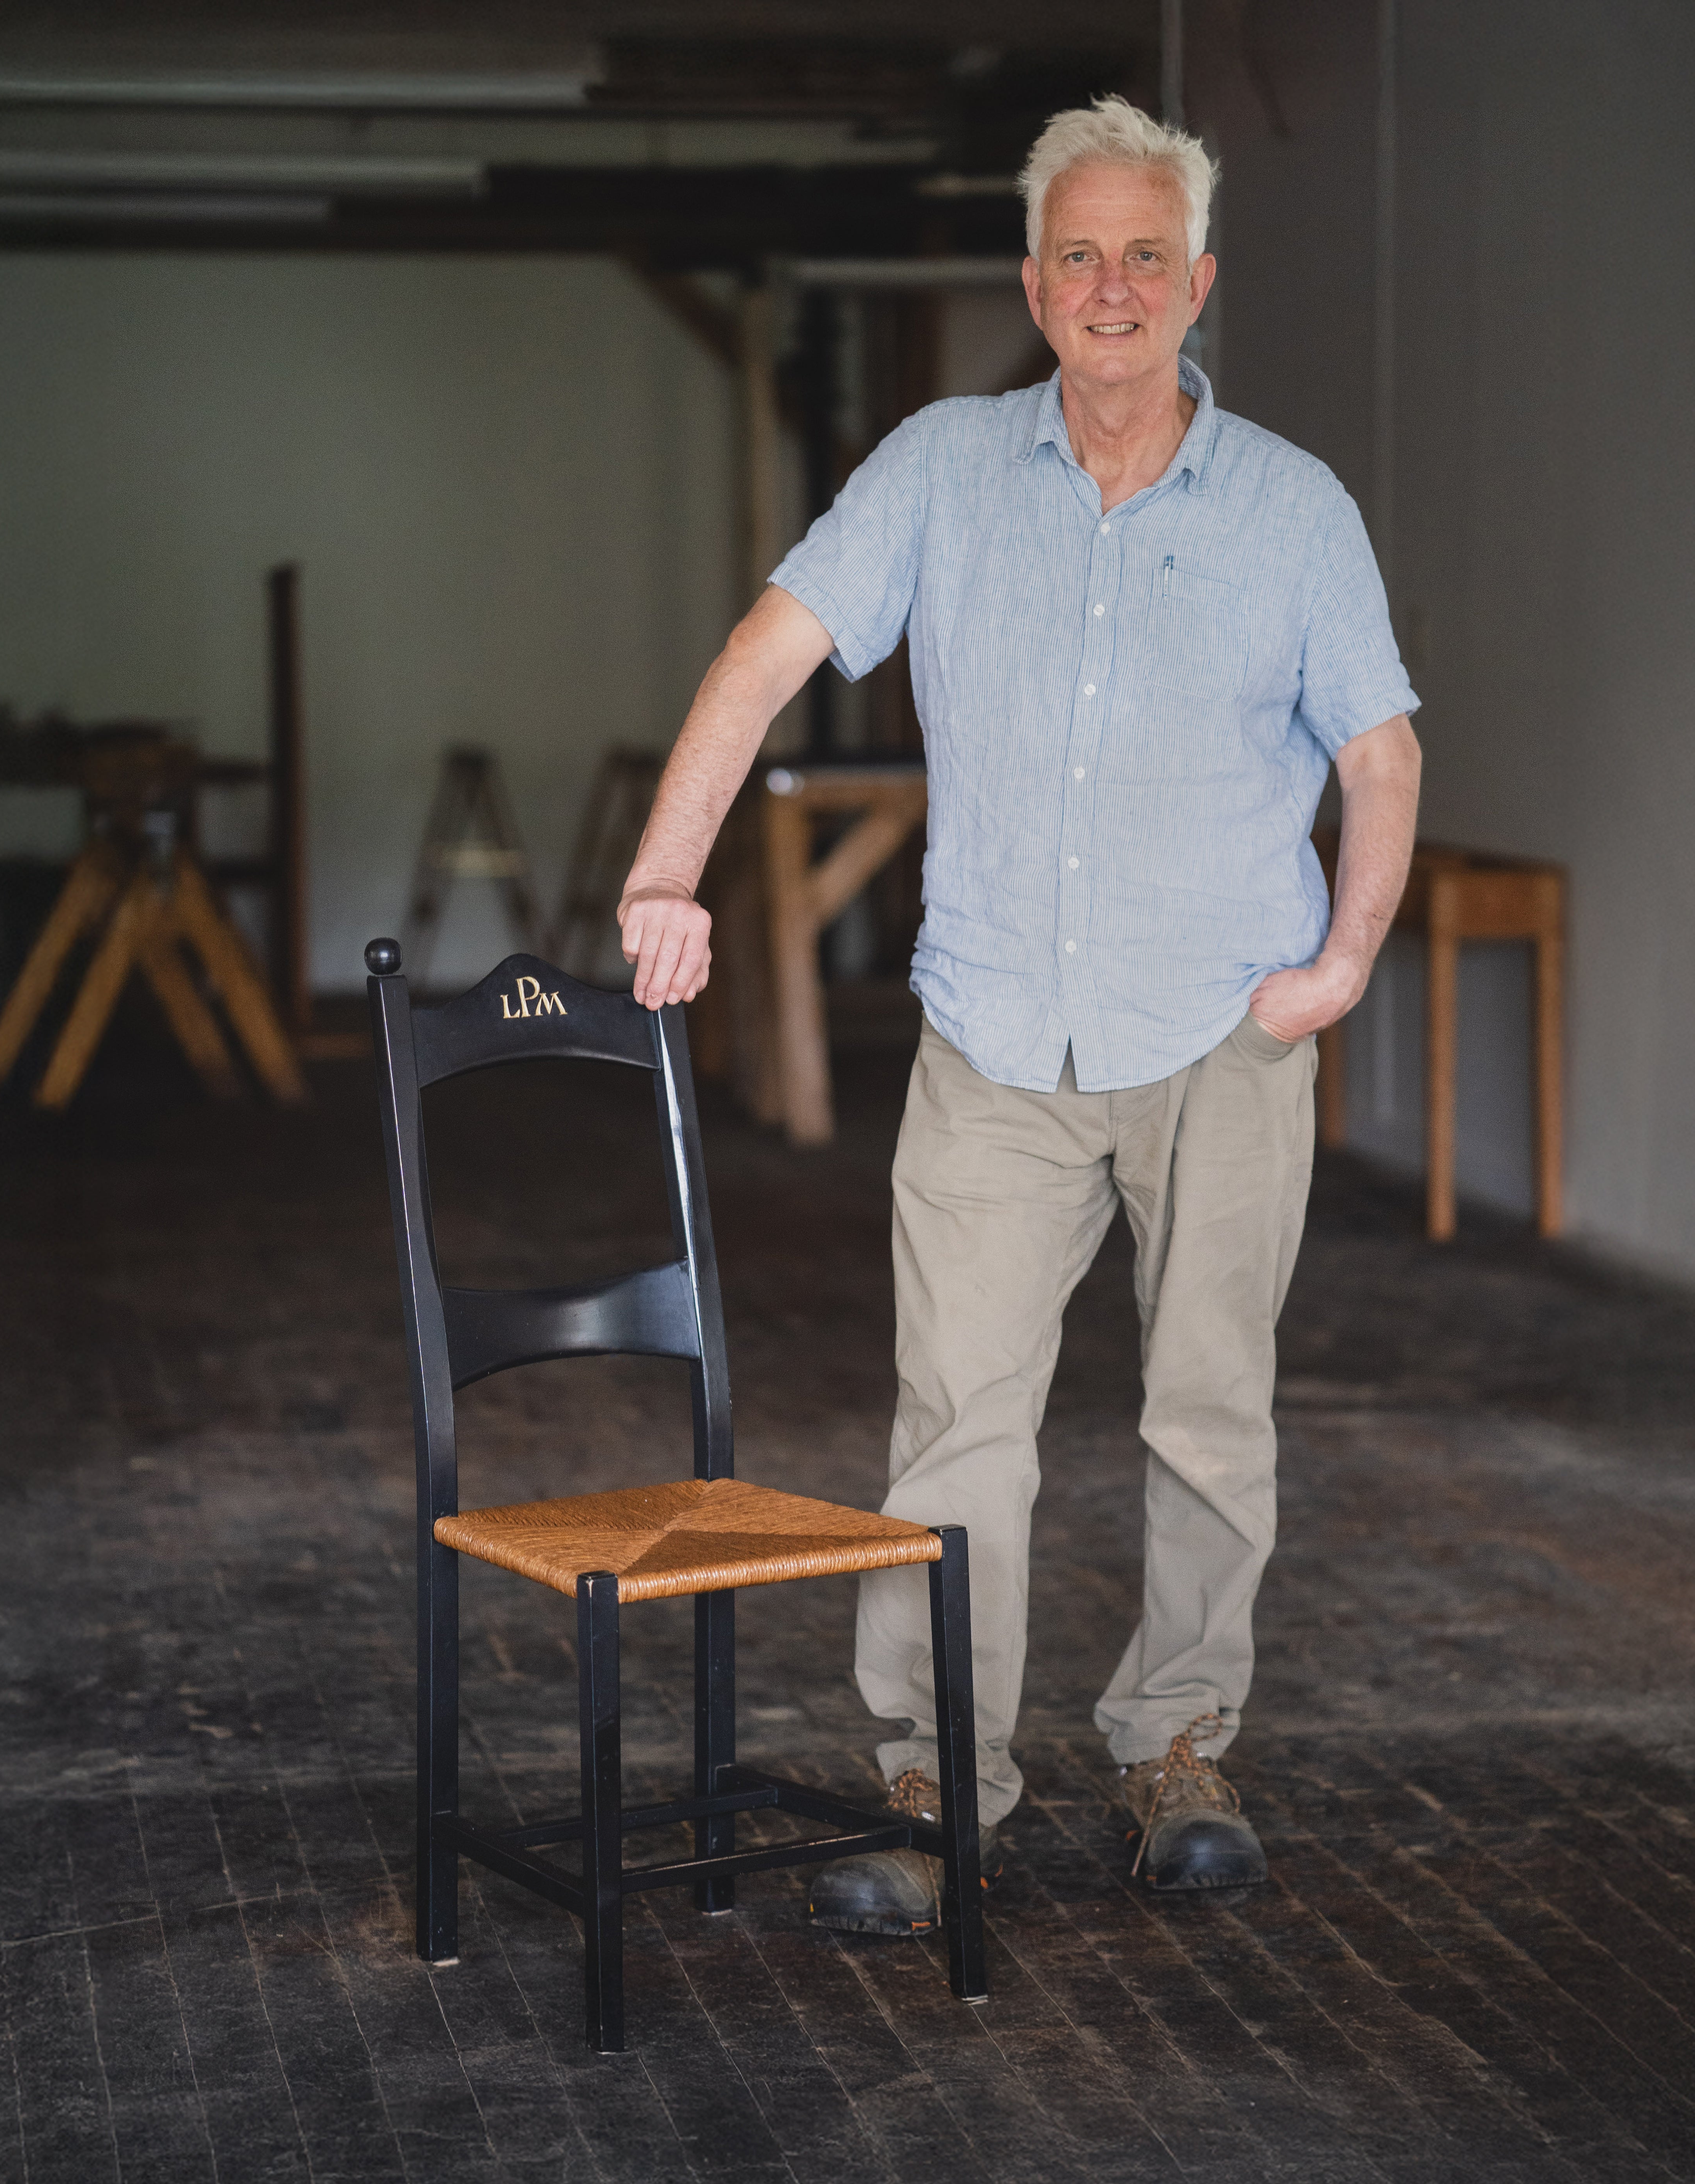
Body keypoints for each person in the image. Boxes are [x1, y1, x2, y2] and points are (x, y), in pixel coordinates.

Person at [615, 93, 1421, 1922]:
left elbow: (1381, 753)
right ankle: (937, 1776)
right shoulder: (940, 468)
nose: (1113, 287)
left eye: (1148, 255)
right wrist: (666, 873)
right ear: (1036, 284)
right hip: (994, 1029)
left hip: (1223, 1029)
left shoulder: (1294, 505)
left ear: (1196, 283)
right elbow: (761, 659)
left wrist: (1344, 962)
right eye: (1080, 256)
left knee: (1209, 1408)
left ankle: (1178, 1744)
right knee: (958, 1422)